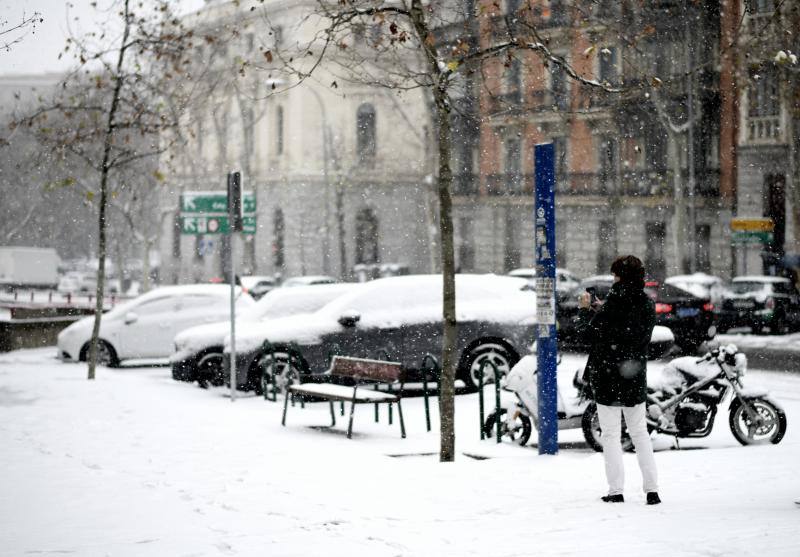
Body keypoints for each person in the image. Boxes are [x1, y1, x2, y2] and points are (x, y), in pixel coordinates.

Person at [576, 255, 660, 505]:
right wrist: (604, 311)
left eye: (615, 275)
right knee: (640, 433)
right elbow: (630, 331)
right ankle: (652, 490)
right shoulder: (646, 303)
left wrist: (584, 311)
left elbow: (588, 335)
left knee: (611, 434)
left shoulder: (614, 303)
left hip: (608, 377)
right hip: (634, 377)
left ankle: (616, 491)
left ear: (620, 276)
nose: (613, 279)